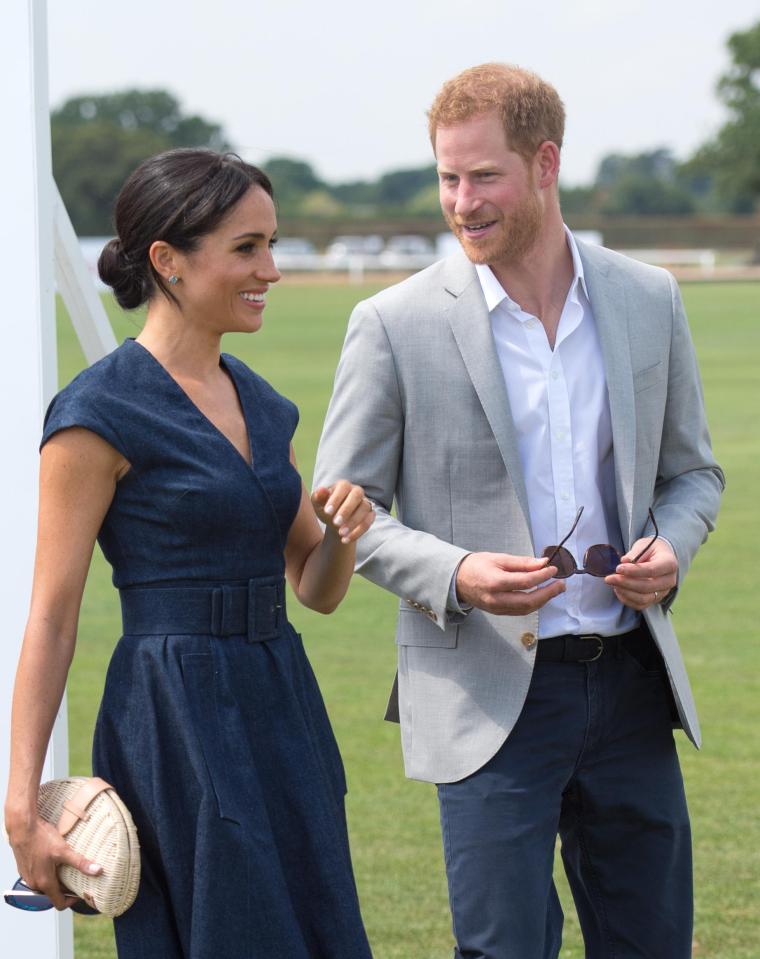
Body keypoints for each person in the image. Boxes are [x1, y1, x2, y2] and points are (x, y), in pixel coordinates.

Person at [314, 64, 724, 959]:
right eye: (448, 177)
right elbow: (344, 514)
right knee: (503, 950)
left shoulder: (647, 297)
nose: (462, 201)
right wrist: (455, 573)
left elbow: (695, 475)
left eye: (483, 175)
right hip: (485, 693)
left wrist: (673, 547)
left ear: (545, 164)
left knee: (654, 943)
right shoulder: (394, 322)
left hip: (629, 681)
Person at [4, 149, 375, 959]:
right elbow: (53, 615)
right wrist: (21, 808)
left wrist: (345, 531)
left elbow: (316, 588)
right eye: (247, 248)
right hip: (173, 712)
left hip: (283, 697)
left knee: (314, 925)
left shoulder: (264, 404)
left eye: (271, 245)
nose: (271, 270)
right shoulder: (95, 412)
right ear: (168, 260)